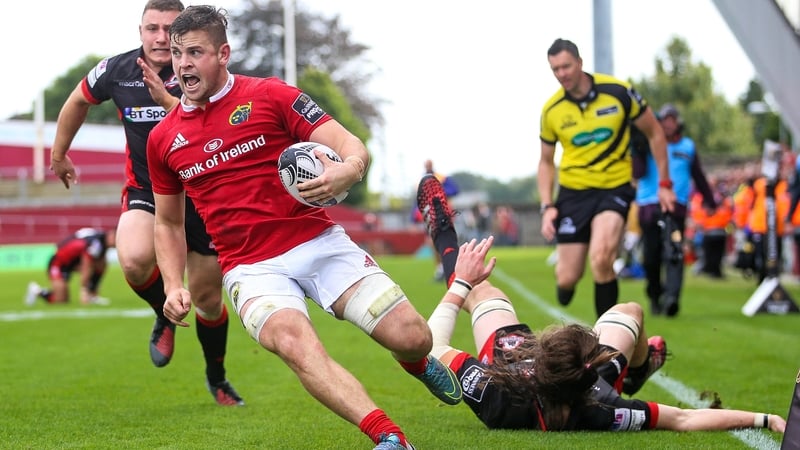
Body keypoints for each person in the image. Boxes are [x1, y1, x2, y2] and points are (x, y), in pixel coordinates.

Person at [146, 6, 461, 449]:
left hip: (318, 241)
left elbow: (348, 142)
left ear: (223, 53)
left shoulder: (272, 96)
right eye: (178, 53)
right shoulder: (163, 139)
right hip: (249, 268)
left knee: (413, 337)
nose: (182, 64)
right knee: (295, 344)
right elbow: (167, 222)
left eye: (194, 52)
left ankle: (415, 362)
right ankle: (388, 437)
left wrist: (349, 169)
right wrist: (173, 284)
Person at [417, 174, 787, 433]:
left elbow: (431, 346)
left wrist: (462, 282)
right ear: (593, 369)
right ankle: (638, 369)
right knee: (631, 311)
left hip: (510, 364)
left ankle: (446, 240)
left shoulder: (495, 393)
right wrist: (764, 419)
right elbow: (685, 419)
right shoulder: (603, 407)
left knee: (479, 290)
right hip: (555, 377)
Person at [49, 0, 243, 406]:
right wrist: (59, 153)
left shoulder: (200, 71)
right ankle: (163, 311)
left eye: (169, 29)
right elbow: (77, 101)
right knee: (134, 259)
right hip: (147, 191)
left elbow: (216, 129)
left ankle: (217, 377)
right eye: (151, 28)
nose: (159, 37)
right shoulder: (115, 71)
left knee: (208, 301)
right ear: (139, 31)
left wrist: (168, 102)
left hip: (203, 197)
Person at [538, 38, 676, 318]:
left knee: (602, 258)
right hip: (573, 193)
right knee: (566, 278)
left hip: (614, 187)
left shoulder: (619, 93)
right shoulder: (551, 110)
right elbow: (545, 162)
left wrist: (664, 184)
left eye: (566, 66)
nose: (561, 74)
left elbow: (655, 133)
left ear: (579, 63)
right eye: (555, 69)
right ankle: (567, 282)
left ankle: (606, 340)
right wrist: (547, 206)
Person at [633, 104, 716, 316]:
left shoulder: (688, 146)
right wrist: (637, 148)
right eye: (664, 120)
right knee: (651, 257)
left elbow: (698, 175)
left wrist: (710, 200)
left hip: (675, 208)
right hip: (649, 207)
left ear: (678, 122)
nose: (668, 124)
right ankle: (654, 294)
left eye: (672, 119)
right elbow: (638, 172)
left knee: (675, 252)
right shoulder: (650, 142)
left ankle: (672, 298)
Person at [25, 227, 116, 306]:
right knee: (61, 300)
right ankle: (37, 291)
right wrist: (83, 291)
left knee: (102, 264)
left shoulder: (101, 242)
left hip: (72, 262)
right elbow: (86, 267)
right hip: (58, 263)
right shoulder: (96, 243)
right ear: (112, 234)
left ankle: (93, 295)